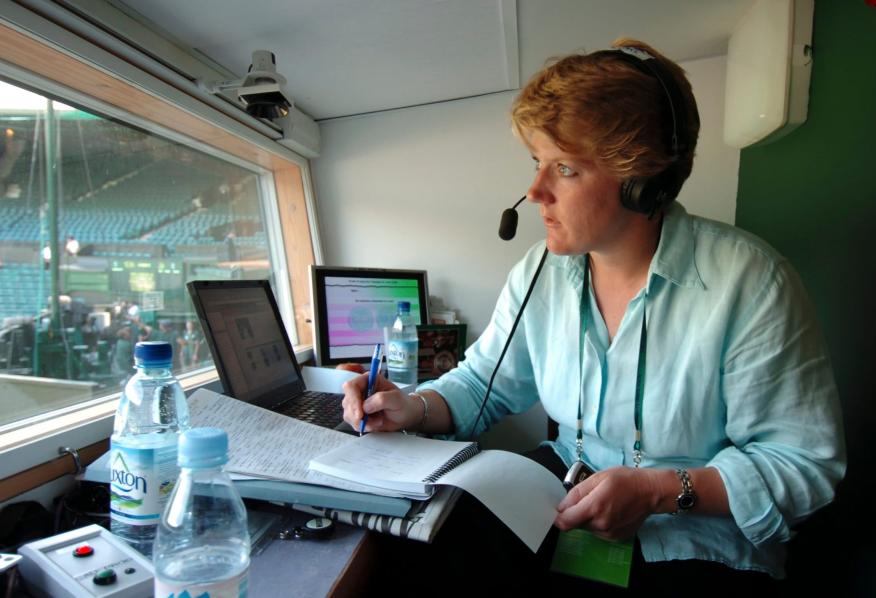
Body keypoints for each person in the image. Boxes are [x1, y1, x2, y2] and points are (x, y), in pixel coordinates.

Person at [342, 38, 845, 592]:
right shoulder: (541, 272)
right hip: (564, 494)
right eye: (537, 163)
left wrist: (657, 491)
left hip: (694, 534)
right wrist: (410, 407)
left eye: (565, 169)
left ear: (641, 180)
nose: (535, 192)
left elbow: (803, 466)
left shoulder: (750, 282)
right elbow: (486, 381)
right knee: (419, 557)